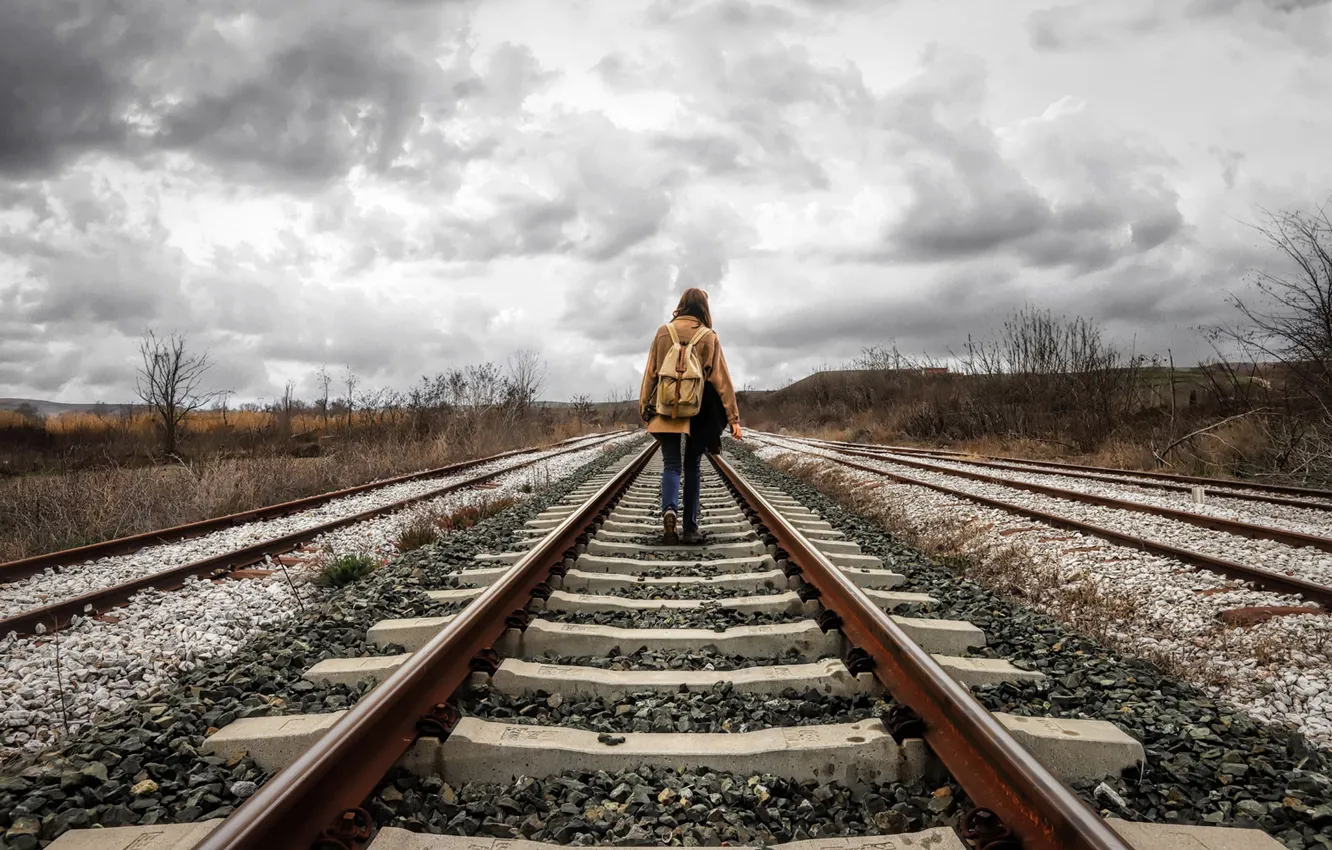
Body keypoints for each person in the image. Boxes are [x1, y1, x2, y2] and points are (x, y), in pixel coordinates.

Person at [638, 288, 742, 544]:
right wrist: (733, 418)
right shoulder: (709, 336)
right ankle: (691, 527)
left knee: (671, 464)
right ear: (704, 308)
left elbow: (650, 373)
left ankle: (670, 510)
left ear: (680, 305)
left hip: (665, 408)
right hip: (697, 411)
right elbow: (722, 380)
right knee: (692, 465)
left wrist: (644, 409)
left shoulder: (663, 332)